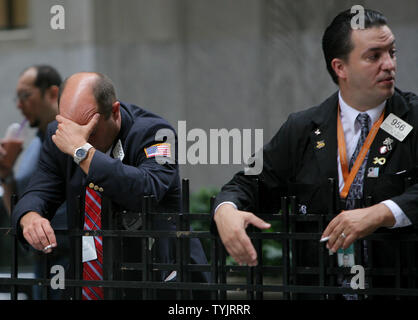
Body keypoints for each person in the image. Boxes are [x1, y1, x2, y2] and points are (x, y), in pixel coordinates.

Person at [212, 8, 418, 298]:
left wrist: (382, 213)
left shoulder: (413, 117)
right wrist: (226, 211)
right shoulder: (304, 128)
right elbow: (247, 183)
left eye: (392, 52)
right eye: (374, 56)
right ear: (340, 68)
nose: (389, 65)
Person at [12, 72, 209, 300]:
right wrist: (29, 216)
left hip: (160, 277)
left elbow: (147, 190)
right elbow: (39, 188)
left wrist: (82, 151)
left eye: (90, 131)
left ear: (114, 112)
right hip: (90, 280)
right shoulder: (59, 135)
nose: (79, 137)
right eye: (71, 129)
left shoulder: (155, 133)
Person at [0, 65, 68, 300]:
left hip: (69, 259)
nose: (19, 105)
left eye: (26, 96)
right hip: (41, 260)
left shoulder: (67, 141)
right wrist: (6, 175)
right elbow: (18, 210)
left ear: (51, 93)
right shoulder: (35, 145)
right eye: (17, 98)